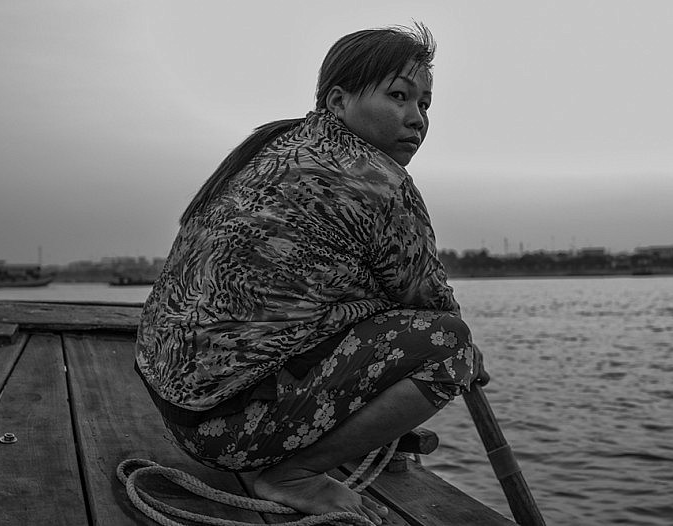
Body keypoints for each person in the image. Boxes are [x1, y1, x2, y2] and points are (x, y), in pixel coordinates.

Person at [135, 23, 489, 525]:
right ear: (338, 101)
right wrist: (472, 362)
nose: (416, 119)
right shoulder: (378, 179)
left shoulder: (270, 146)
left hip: (171, 404)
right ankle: (293, 474)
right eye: (398, 96)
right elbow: (430, 300)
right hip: (226, 430)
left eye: (425, 104)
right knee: (451, 346)